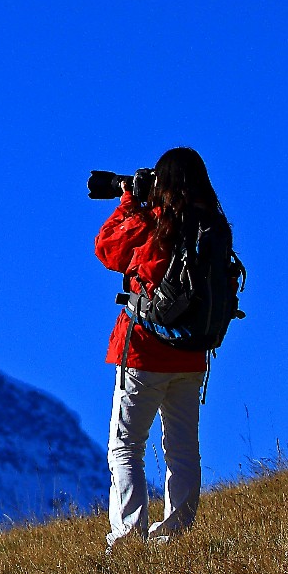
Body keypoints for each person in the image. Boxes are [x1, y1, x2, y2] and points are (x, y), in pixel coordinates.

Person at [94, 146, 232, 549]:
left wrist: (128, 201)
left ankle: (128, 535)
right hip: (192, 354)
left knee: (126, 446)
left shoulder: (156, 223)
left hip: (143, 352)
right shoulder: (213, 227)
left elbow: (108, 249)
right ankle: (176, 533)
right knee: (183, 446)